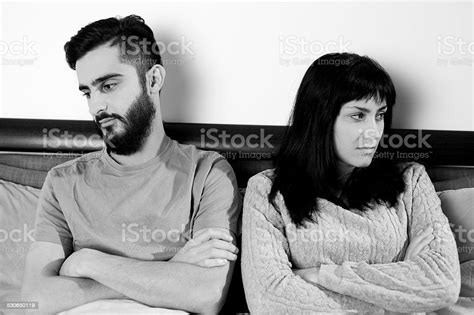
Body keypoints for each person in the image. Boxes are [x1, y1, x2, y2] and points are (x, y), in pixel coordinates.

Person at [21, 15, 241, 314]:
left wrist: (88, 262)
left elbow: (206, 294)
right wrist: (171, 272)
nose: (96, 106)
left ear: (153, 79)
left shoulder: (207, 173)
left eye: (108, 86)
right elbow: (31, 301)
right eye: (88, 92)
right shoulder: (63, 182)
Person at [241, 53, 460, 314]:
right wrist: (397, 300)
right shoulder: (267, 191)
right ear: (320, 118)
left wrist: (320, 275)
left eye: (380, 115)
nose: (373, 132)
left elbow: (442, 285)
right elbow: (268, 301)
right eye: (358, 116)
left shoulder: (412, 181)